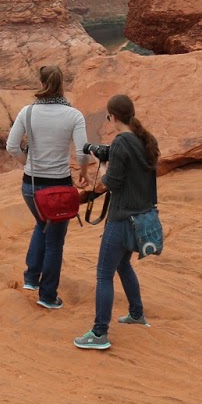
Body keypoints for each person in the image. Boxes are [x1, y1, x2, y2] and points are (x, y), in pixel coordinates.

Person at [73, 94, 159, 350]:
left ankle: (99, 333)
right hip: (142, 216)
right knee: (123, 264)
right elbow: (118, 154)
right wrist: (96, 149)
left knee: (103, 274)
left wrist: (93, 181)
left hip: (122, 219)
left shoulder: (122, 141)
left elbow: (111, 182)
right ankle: (136, 314)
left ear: (112, 117)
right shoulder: (146, 139)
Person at [4, 65, 91, 310]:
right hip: (59, 189)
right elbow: (83, 152)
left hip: (31, 186)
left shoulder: (27, 112)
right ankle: (48, 295)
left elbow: (12, 147)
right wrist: (83, 173)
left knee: (41, 225)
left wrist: (28, 164)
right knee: (55, 241)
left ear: (41, 83)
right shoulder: (73, 115)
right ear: (61, 83)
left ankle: (31, 278)